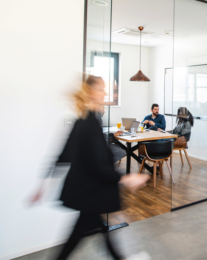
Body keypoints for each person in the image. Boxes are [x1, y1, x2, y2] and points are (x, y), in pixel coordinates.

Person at [29, 75, 149, 260]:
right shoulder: (90, 122)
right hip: (90, 191)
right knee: (85, 234)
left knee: (90, 232)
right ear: (91, 93)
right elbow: (96, 165)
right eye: (101, 89)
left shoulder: (84, 119)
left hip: (87, 191)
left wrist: (43, 184)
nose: (105, 93)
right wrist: (126, 178)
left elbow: (64, 154)